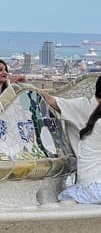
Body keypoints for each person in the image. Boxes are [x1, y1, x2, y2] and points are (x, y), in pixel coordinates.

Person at [43, 76, 101, 204]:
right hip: (94, 184)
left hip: (88, 180)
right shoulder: (83, 106)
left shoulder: (93, 115)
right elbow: (52, 101)